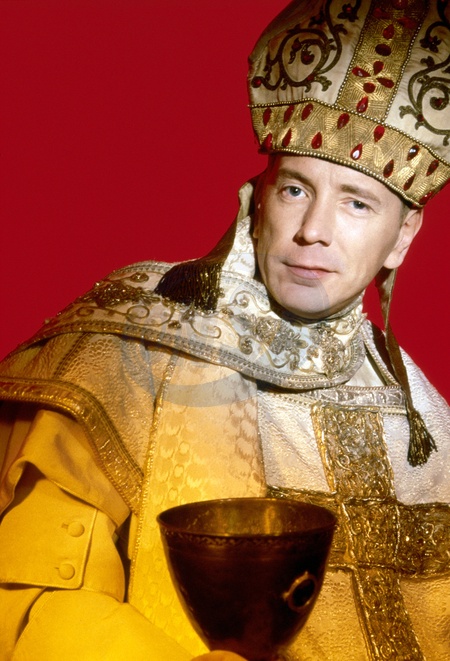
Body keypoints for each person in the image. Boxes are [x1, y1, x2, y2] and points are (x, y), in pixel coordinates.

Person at [1, 0, 449, 659]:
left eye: (356, 203)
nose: (313, 230)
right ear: (261, 195)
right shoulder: (129, 347)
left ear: (403, 235)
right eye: (296, 189)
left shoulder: (428, 419)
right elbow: (29, 600)